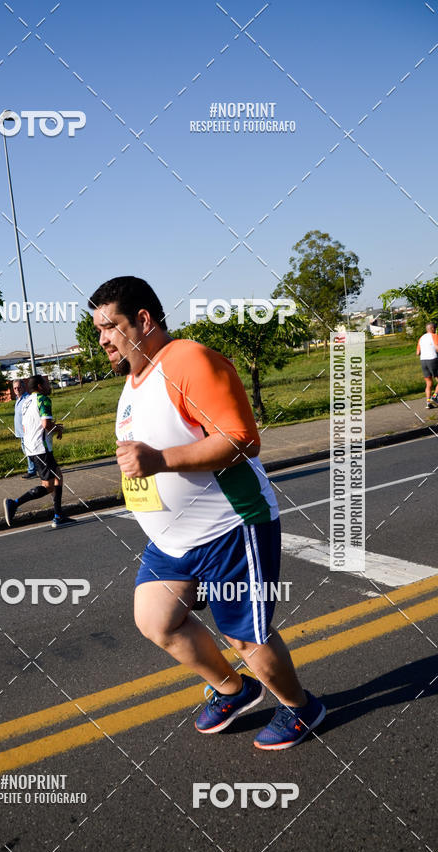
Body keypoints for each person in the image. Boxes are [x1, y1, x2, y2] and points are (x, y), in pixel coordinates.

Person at [89, 276, 325, 750]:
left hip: (230, 527)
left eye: (109, 327)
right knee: (156, 620)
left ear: (143, 320)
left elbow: (240, 438)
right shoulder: (133, 383)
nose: (102, 340)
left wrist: (157, 461)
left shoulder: (188, 360)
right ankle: (234, 689)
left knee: (245, 637)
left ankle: (302, 707)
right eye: (97, 330)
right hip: (175, 541)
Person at [3, 375, 75, 529]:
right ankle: (14, 503)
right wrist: (57, 429)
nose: (50, 386)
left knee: (57, 477)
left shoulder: (26, 402)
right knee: (49, 485)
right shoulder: (43, 399)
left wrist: (54, 427)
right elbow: (45, 424)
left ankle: (58, 515)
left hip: (31, 447)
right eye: (47, 383)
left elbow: (31, 424)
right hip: (41, 448)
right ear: (40, 386)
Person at [12, 377, 36, 478]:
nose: (17, 390)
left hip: (27, 432)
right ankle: (36, 468)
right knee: (27, 452)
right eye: (15, 388)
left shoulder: (27, 399)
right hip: (20, 432)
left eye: (19, 387)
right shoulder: (18, 400)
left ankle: (32, 470)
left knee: (29, 451)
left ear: (23, 386)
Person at [416, 322, 438, 408]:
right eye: (435, 328)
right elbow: (437, 348)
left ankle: (428, 403)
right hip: (433, 359)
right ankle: (435, 397)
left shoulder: (421, 338)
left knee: (428, 382)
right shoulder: (435, 335)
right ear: (432, 329)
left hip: (423, 360)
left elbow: (417, 353)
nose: (435, 329)